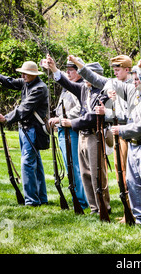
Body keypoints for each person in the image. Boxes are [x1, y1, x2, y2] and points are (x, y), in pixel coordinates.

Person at [42, 55, 111, 215]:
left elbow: (92, 117)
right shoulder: (83, 89)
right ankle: (94, 207)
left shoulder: (103, 93)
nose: (85, 77)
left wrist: (70, 123)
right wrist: (53, 68)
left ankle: (104, 207)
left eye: (88, 74)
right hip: (82, 136)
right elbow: (65, 82)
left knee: (96, 174)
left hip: (95, 136)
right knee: (86, 173)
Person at [95, 58, 141, 226]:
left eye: (138, 79)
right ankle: (140, 218)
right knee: (133, 182)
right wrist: (107, 113)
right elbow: (126, 117)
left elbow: (140, 126)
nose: (135, 81)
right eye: (134, 79)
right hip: (131, 143)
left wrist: (121, 130)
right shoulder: (136, 98)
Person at [68, 55, 132, 222]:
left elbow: (131, 114)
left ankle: (136, 213)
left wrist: (108, 113)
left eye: (118, 69)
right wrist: (78, 64)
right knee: (121, 176)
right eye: (114, 70)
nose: (115, 73)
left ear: (127, 69)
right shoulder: (112, 83)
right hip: (120, 135)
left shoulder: (135, 86)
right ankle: (129, 212)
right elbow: (93, 77)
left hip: (131, 134)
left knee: (130, 177)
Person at [0, 61, 48, 207]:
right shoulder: (27, 82)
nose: (22, 75)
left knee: (27, 163)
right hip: (25, 128)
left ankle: (32, 200)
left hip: (33, 129)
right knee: (34, 163)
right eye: (22, 73)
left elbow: (24, 109)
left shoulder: (39, 88)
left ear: (33, 74)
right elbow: (9, 82)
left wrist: (6, 118)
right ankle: (41, 198)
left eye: (25, 73)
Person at [48, 60, 89, 211]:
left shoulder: (82, 86)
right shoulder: (67, 87)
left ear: (79, 71)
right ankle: (76, 198)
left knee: (75, 167)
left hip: (72, 130)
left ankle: (81, 201)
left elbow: (80, 109)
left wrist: (60, 119)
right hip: (62, 129)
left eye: (71, 70)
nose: (69, 72)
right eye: (67, 70)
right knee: (68, 165)